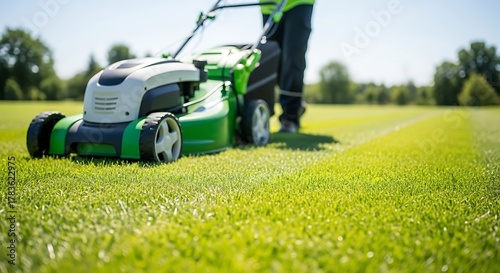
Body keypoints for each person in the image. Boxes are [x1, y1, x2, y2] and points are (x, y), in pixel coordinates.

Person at [261, 0, 315, 133]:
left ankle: (290, 117)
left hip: (298, 3)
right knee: (271, 58)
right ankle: (295, 106)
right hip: (270, 5)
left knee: (292, 57)